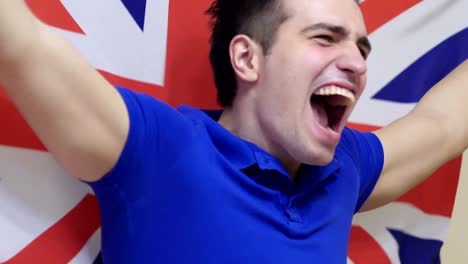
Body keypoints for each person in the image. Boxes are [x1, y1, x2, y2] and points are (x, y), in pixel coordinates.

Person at [0, 0, 466, 263]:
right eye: (325, 38)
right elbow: (21, 45)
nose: (357, 63)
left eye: (361, 47)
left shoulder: (346, 167)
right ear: (247, 59)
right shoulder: (163, 151)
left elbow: (442, 124)